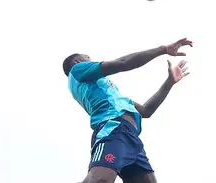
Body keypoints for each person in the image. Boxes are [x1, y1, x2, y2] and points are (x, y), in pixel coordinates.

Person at [63, 38, 193, 183]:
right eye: (88, 59)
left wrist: (169, 82)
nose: (93, 62)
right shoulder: (77, 70)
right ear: (77, 63)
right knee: (101, 180)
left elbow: (146, 111)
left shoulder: (116, 98)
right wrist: (162, 49)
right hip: (113, 128)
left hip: (132, 138)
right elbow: (122, 63)